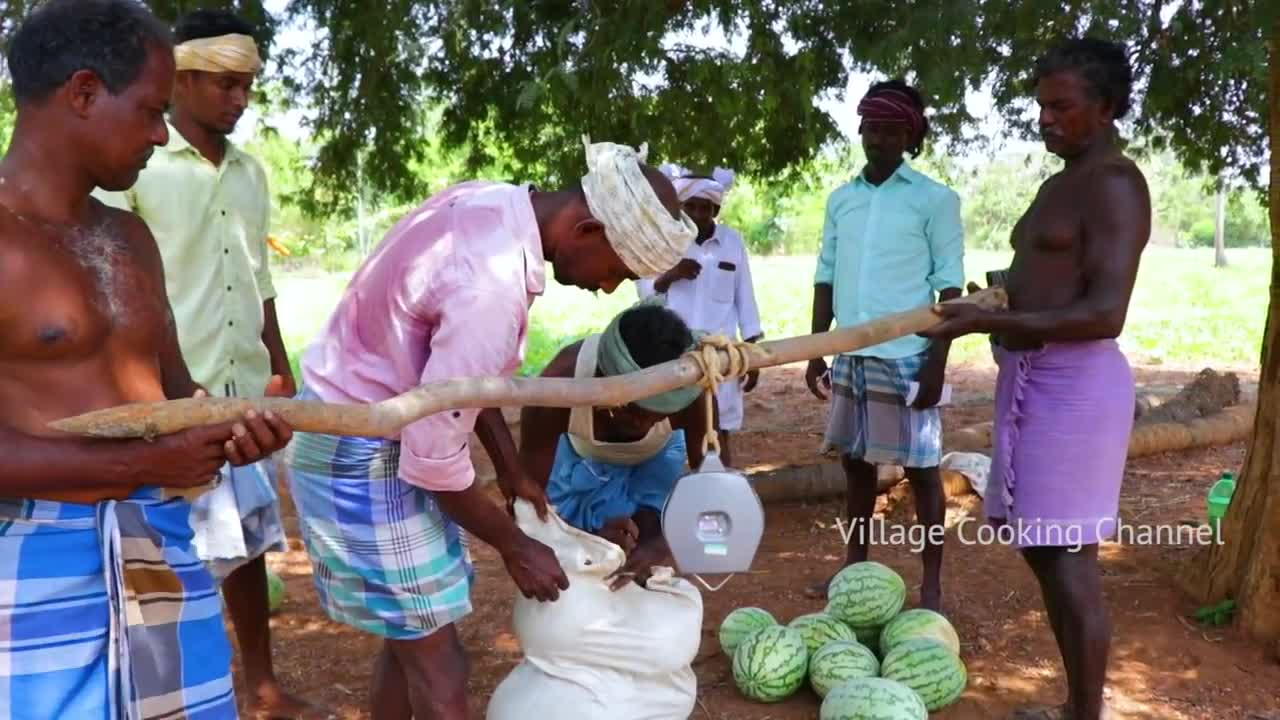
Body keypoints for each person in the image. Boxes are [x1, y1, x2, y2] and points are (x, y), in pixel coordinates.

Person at [283, 138, 696, 720]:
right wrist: (515, 545)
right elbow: (431, 460)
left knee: (411, 641)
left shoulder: (494, 203)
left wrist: (509, 467)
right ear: (585, 230)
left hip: (359, 426)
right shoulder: (492, 289)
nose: (607, 289)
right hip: (363, 446)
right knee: (442, 669)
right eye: (615, 271)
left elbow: (465, 385)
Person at [0, 1, 293, 717]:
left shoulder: (131, 239)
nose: (161, 135)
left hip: (161, 548)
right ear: (83, 92)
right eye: (150, 111)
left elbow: (173, 397)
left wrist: (230, 429)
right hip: (30, 564)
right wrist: (140, 466)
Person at [920, 38, 1149, 720]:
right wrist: (995, 299)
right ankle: (1076, 707)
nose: (1045, 119)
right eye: (1040, 105)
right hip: (1031, 380)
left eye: (1061, 106)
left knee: (1070, 560)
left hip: (1075, 387)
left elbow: (1106, 311)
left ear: (1104, 108)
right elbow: (1047, 280)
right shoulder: (1063, 181)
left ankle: (1084, 715)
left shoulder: (1115, 184)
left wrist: (973, 326)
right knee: (1045, 554)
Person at [92, 9, 311, 717]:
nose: (239, 99)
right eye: (222, 83)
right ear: (180, 78)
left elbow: (259, 279)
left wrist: (279, 362)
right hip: (162, 395)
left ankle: (262, 684)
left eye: (246, 85)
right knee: (169, 552)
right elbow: (114, 280)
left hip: (242, 384)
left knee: (247, 547)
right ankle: (173, 689)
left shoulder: (249, 173)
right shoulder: (137, 165)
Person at [803, 80, 965, 611]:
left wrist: (937, 363)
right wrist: (816, 348)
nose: (879, 139)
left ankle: (933, 584)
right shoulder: (842, 200)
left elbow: (950, 289)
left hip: (909, 356)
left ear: (909, 136)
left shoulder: (935, 200)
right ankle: (854, 572)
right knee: (855, 467)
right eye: (872, 128)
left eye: (891, 131)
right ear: (861, 130)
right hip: (852, 355)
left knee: (921, 474)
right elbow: (826, 274)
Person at [518, 301, 712, 590]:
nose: (642, 424)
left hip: (658, 455)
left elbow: (714, 483)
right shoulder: (559, 387)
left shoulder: (691, 389)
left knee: (652, 531)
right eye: (632, 410)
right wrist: (588, 539)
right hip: (581, 457)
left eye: (657, 414)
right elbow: (529, 502)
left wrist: (667, 541)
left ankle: (645, 548)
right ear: (601, 379)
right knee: (582, 548)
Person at [636, 165, 762, 467]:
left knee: (721, 429)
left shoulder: (732, 242)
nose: (696, 213)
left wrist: (754, 349)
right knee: (672, 430)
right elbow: (645, 295)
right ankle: (676, 498)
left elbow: (746, 296)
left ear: (715, 209)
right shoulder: (666, 242)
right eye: (689, 206)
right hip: (673, 354)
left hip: (722, 354)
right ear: (679, 208)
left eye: (704, 207)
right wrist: (672, 274)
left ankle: (722, 490)